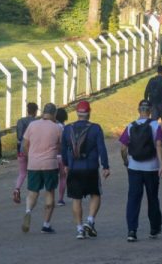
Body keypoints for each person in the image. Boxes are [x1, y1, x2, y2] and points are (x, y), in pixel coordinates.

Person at [61, 101, 109, 240]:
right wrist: (105, 166)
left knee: (76, 199)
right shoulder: (95, 129)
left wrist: (65, 164)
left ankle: (79, 229)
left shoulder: (68, 129)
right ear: (89, 112)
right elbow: (101, 148)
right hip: (91, 167)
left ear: (77, 113)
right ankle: (90, 220)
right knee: (95, 194)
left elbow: (63, 148)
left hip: (74, 168)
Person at [119, 100, 162, 242]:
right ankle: (154, 228)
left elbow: (123, 148)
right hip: (151, 167)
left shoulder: (130, 126)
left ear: (139, 110)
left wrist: (126, 161)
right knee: (152, 198)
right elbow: (159, 145)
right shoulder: (154, 125)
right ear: (150, 110)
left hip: (134, 167)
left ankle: (132, 231)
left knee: (133, 199)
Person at [21, 103, 63, 235]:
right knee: (50, 192)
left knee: (33, 191)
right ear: (54, 114)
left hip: (34, 163)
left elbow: (25, 144)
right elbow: (60, 147)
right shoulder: (57, 128)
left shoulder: (32, 125)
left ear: (43, 112)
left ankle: (28, 211)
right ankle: (46, 224)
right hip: (50, 164)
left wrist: (30, 156)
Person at [13, 103, 38, 204]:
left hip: (21, 150)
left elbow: (19, 137)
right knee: (33, 172)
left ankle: (17, 189)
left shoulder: (20, 121)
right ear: (36, 111)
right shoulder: (37, 122)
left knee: (22, 173)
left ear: (27, 110)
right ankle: (31, 193)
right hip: (33, 150)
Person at [143, 65, 162, 142]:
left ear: (157, 71)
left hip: (152, 103)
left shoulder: (151, 80)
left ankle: (154, 137)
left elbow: (146, 91)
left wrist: (146, 101)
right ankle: (161, 137)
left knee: (154, 121)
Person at [55, 108, 69, 207]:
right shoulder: (65, 128)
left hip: (52, 155)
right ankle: (60, 199)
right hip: (62, 155)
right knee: (63, 177)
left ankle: (50, 196)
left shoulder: (52, 127)